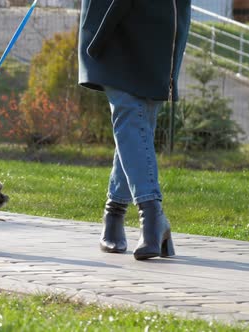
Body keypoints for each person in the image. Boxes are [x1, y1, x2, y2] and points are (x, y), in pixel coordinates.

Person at [77, 0, 191, 260]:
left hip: (156, 20)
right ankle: (152, 216)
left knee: (138, 124)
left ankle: (115, 213)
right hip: (109, 17)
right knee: (129, 114)